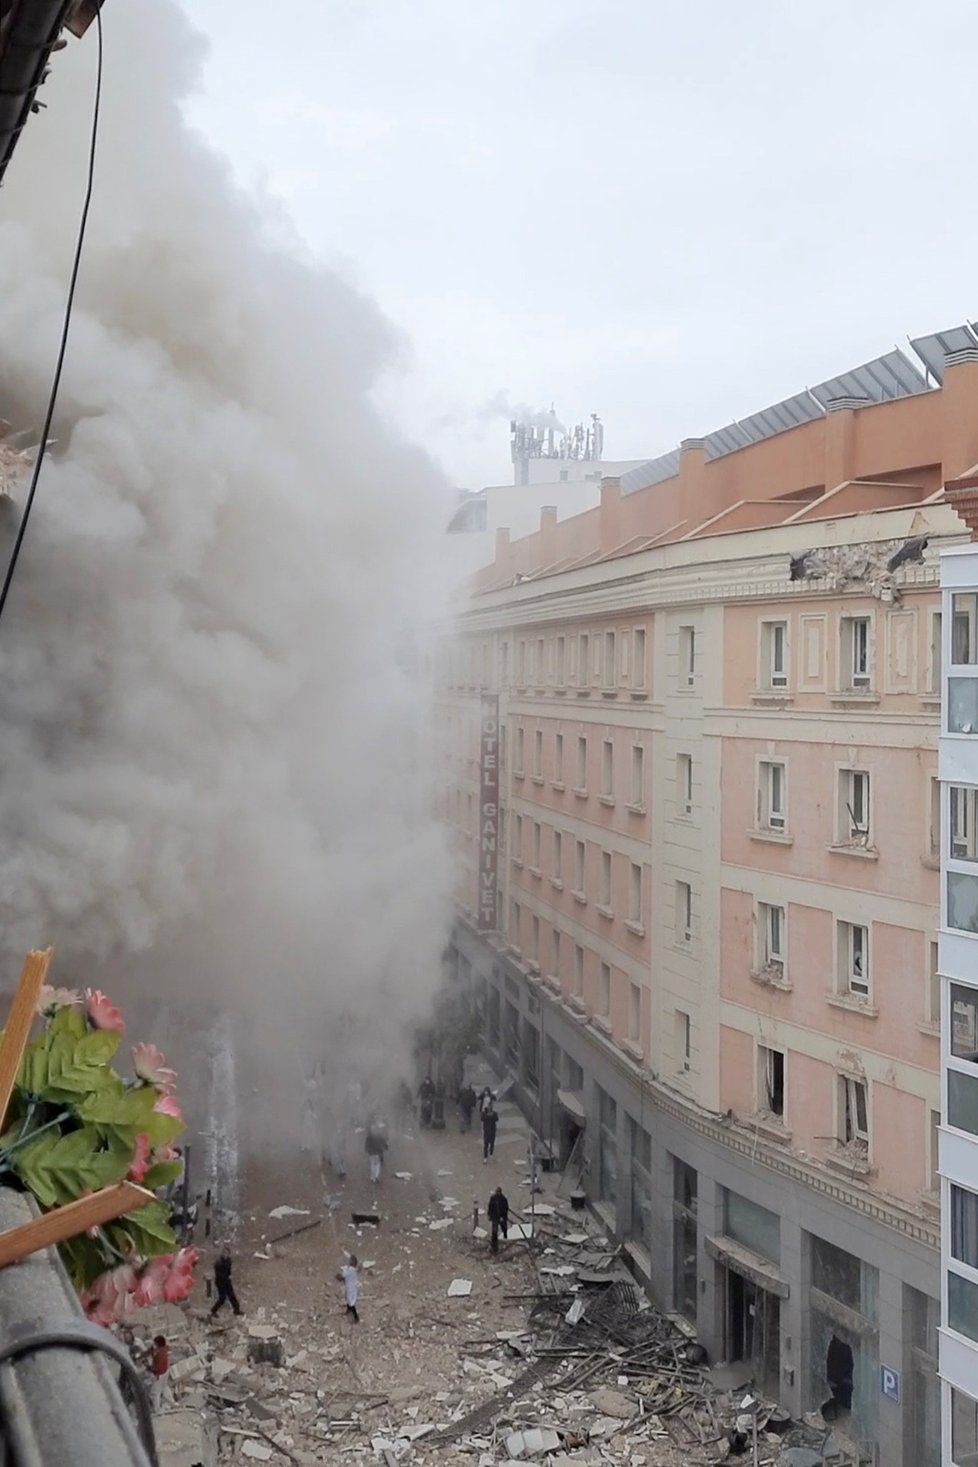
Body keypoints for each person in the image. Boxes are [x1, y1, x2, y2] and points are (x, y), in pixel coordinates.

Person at [211, 1245, 242, 1317]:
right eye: (224, 1253)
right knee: (222, 1298)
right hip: (220, 1282)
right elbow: (219, 1275)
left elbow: (229, 1271)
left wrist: (229, 1276)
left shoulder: (229, 1261)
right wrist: (227, 1277)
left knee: (232, 1296)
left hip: (227, 1281)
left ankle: (236, 1310)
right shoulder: (218, 1263)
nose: (225, 1254)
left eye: (226, 1253)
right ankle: (213, 1310)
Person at [149, 1334, 172, 1411]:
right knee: (164, 1388)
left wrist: (149, 1368)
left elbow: (158, 1368)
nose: (154, 1345)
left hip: (160, 1374)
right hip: (166, 1372)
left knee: (155, 1393)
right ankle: (172, 1402)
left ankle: (157, 1410)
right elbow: (149, 1351)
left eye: (155, 1344)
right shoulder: (163, 1349)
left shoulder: (160, 1354)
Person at [337, 1254, 360, 1323]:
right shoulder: (353, 1269)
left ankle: (356, 1317)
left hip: (350, 1288)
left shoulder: (350, 1270)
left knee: (351, 1302)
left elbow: (343, 1276)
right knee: (348, 1299)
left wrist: (338, 1276)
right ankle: (348, 1310)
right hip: (351, 1287)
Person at [487, 1185, 509, 1253]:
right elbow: (490, 1207)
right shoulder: (493, 1198)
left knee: (504, 1229)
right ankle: (494, 1246)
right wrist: (489, 1215)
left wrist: (503, 1216)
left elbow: (506, 1208)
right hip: (495, 1217)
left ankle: (505, 1240)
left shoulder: (503, 1199)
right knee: (494, 1232)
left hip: (501, 1217)